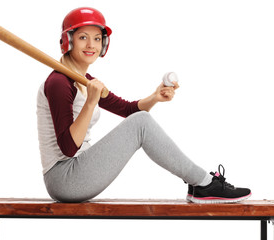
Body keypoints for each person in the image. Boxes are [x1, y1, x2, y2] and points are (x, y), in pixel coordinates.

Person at [36, 7, 251, 203]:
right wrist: (91, 103)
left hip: (76, 172)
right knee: (141, 123)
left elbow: (128, 110)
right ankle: (204, 183)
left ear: (104, 44)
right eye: (83, 37)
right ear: (69, 41)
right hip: (64, 178)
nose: (91, 45)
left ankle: (201, 184)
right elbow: (68, 147)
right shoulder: (59, 83)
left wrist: (154, 97)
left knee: (140, 120)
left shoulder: (85, 79)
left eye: (97, 38)